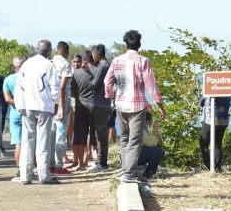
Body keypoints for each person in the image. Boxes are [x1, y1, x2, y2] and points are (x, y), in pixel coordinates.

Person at [105, 30, 166, 183]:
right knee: (135, 141)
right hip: (137, 105)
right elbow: (152, 86)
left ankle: (125, 170)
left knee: (124, 139)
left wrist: (112, 96)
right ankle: (130, 175)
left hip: (120, 104)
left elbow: (107, 82)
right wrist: (160, 106)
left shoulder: (116, 60)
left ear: (126, 43)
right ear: (139, 44)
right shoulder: (142, 61)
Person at [14, 40, 60, 185]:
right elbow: (55, 87)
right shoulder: (48, 64)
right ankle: (44, 176)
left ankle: (25, 177)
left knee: (27, 141)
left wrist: (19, 106)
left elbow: (19, 86)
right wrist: (55, 105)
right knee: (43, 141)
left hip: (27, 106)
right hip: (43, 107)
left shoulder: (26, 64)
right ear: (48, 51)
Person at [49, 41, 73, 175]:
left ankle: (51, 164)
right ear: (67, 52)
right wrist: (62, 108)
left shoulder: (50, 63)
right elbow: (63, 87)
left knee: (51, 135)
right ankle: (58, 165)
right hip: (62, 102)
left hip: (50, 103)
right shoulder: (65, 65)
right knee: (60, 135)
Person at [88, 44, 112, 172]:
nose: (92, 56)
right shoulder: (108, 66)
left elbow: (93, 84)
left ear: (97, 54)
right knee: (101, 134)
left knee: (101, 135)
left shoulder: (103, 67)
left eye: (93, 54)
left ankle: (103, 163)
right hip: (104, 104)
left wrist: (88, 73)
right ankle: (101, 161)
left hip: (100, 104)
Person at [70, 51, 95, 171]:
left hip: (81, 106)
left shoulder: (76, 73)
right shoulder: (98, 71)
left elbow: (72, 91)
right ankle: (95, 159)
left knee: (80, 136)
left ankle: (82, 163)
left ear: (83, 60)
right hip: (95, 106)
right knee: (95, 135)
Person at [4, 56, 25, 181]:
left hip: (14, 114)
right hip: (28, 113)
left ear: (14, 67)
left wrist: (17, 104)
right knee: (31, 142)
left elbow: (7, 99)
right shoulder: (28, 78)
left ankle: (20, 169)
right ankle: (32, 168)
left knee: (18, 143)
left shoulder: (8, 79)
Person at [199, 96, 231, 171]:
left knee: (203, 143)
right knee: (217, 144)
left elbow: (201, 102)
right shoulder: (228, 88)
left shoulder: (210, 86)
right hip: (223, 120)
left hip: (210, 119)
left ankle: (210, 167)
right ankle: (217, 168)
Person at [138, 111, 165, 179]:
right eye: (150, 121)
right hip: (135, 157)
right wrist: (156, 130)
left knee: (155, 149)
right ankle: (149, 173)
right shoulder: (140, 128)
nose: (150, 123)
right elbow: (151, 143)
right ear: (147, 120)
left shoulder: (137, 125)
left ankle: (148, 171)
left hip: (129, 156)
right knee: (159, 151)